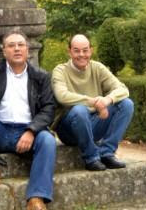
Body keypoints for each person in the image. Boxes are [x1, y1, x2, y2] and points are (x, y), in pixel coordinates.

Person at [0, 31, 56, 210]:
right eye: (11, 45)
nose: (16, 48)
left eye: (20, 45)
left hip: (27, 133)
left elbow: (48, 109)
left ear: (27, 49)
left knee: (47, 140)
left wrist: (31, 131)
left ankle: (36, 199)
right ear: (4, 50)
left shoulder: (41, 76)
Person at [51, 34, 134, 171]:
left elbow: (122, 89)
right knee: (79, 110)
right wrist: (93, 102)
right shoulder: (60, 70)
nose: (81, 54)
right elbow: (62, 96)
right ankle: (91, 158)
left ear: (91, 50)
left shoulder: (97, 68)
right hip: (69, 129)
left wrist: (107, 100)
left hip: (93, 123)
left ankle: (106, 153)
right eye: (76, 50)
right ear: (69, 51)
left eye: (85, 50)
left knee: (126, 104)